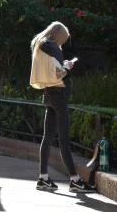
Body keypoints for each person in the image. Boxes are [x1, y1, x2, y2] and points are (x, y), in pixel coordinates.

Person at [30, 21, 95, 193]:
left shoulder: (40, 45)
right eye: (63, 39)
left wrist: (63, 64)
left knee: (48, 138)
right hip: (59, 95)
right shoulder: (52, 47)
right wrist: (68, 65)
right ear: (58, 36)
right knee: (64, 139)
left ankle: (43, 178)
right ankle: (75, 180)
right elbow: (59, 74)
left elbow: (51, 71)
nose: (63, 43)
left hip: (48, 94)